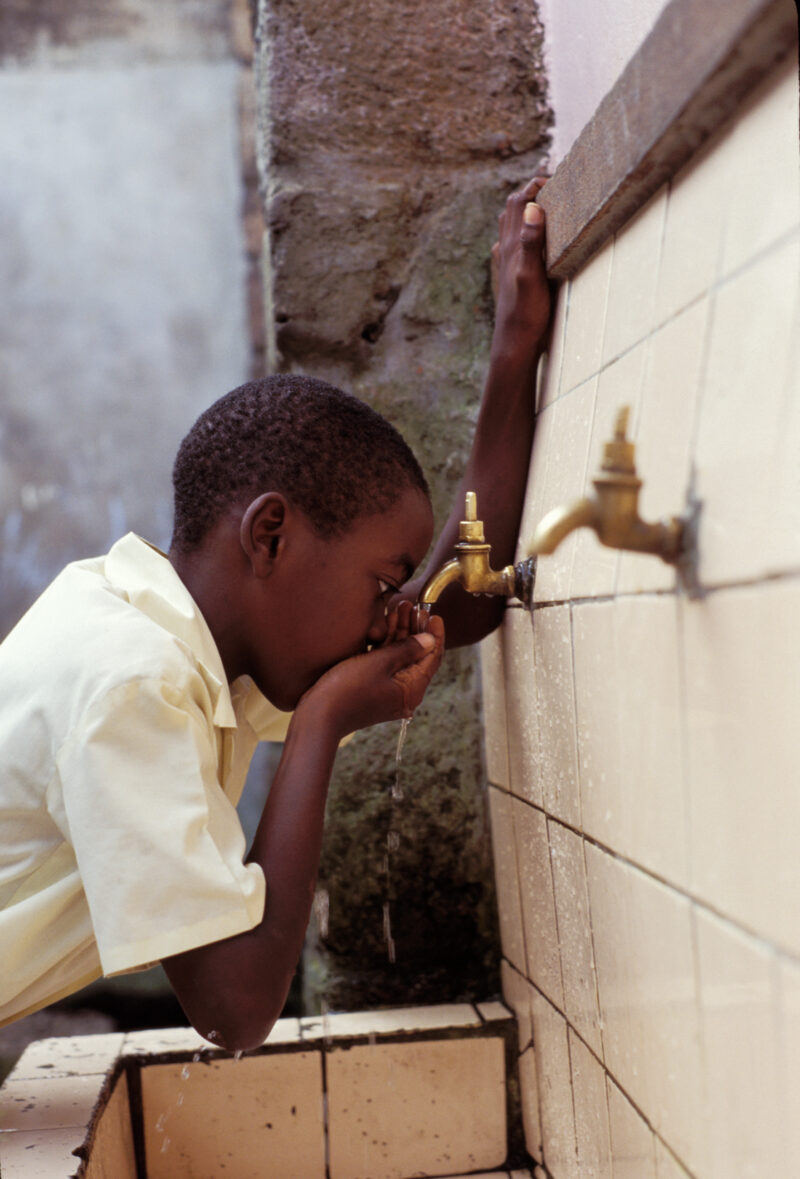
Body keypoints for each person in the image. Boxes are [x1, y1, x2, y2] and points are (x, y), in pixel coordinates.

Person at [0, 178, 552, 1050]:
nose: (389, 618)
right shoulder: (133, 682)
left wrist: (515, 348)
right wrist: (322, 723)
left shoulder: (175, 637)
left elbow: (457, 605)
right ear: (270, 536)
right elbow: (237, 1005)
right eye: (382, 582)